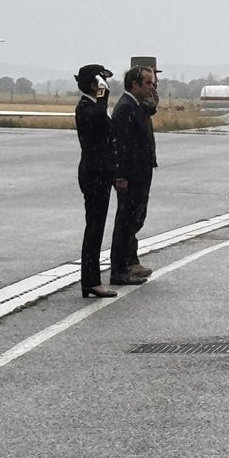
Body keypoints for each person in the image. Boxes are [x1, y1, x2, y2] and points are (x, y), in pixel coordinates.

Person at [109, 65, 157, 286]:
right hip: (131, 175)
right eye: (147, 83)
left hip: (140, 172)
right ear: (134, 84)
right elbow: (120, 145)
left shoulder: (136, 106)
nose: (152, 87)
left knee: (135, 219)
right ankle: (120, 269)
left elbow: (149, 110)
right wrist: (120, 176)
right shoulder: (126, 107)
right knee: (125, 222)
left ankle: (129, 261)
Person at [75, 63, 119, 298]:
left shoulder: (92, 106)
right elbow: (99, 118)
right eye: (102, 81)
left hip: (101, 171)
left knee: (97, 226)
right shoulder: (86, 107)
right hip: (95, 173)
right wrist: (103, 92)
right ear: (94, 84)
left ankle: (90, 280)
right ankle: (91, 280)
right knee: (94, 228)